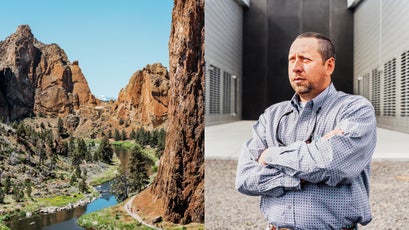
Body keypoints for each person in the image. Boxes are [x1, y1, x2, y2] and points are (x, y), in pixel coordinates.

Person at [235, 32, 377, 230]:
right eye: (291, 60)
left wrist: (269, 155)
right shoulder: (272, 116)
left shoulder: (355, 109)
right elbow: (245, 178)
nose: (296, 67)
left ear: (329, 65)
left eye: (305, 59)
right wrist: (305, 165)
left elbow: (331, 165)